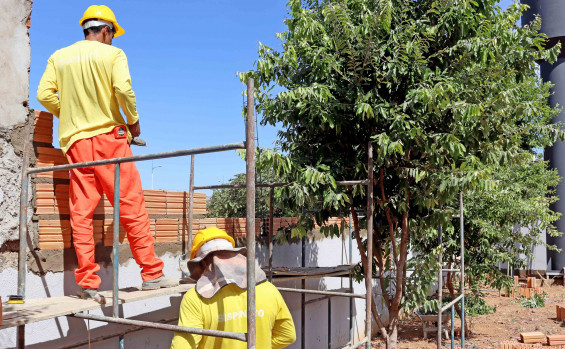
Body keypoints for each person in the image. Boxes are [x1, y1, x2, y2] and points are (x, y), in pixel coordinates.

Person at [37, 5, 177, 303]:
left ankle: (87, 281)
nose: (113, 39)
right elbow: (123, 89)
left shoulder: (58, 57)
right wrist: (134, 122)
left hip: (76, 143)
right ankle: (151, 273)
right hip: (109, 140)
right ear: (105, 30)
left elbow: (44, 95)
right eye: (112, 34)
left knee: (81, 212)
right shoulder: (113, 55)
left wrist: (71, 114)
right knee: (130, 205)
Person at [170, 227, 296, 348]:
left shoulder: (195, 298)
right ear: (235, 256)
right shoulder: (268, 289)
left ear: (203, 263)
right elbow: (287, 335)